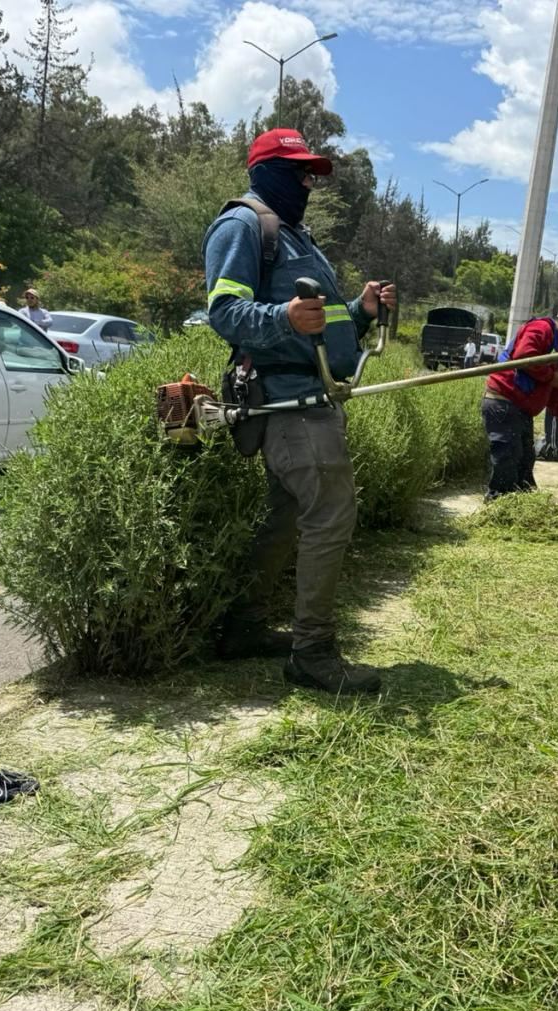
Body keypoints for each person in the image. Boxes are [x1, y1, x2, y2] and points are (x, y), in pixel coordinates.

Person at [203, 127, 395, 695]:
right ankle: (312, 652)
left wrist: (358, 313)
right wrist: (283, 317)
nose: (309, 183)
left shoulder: (297, 237)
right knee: (331, 514)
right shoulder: (243, 225)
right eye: (299, 173)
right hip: (288, 404)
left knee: (284, 520)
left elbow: (325, 330)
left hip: (312, 397)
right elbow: (225, 312)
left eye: (312, 174)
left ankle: (239, 628)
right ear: (265, 171)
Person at [482, 307, 558, 499]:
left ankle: (523, 500)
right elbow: (524, 356)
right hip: (504, 402)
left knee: (525, 460)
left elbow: (554, 394)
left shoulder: (552, 352)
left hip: (520, 409)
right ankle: (498, 501)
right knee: (508, 455)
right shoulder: (541, 329)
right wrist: (551, 377)